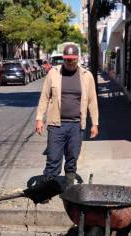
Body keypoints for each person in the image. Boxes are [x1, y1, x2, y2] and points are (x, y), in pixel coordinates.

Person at [35, 44, 99, 186]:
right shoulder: (54, 73)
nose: (70, 62)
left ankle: (69, 189)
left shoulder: (87, 76)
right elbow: (44, 97)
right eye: (67, 59)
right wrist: (39, 118)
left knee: (72, 159)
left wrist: (95, 123)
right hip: (56, 125)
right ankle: (47, 189)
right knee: (53, 159)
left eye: (73, 59)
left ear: (78, 58)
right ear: (63, 58)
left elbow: (92, 101)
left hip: (76, 125)